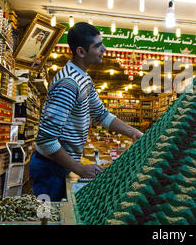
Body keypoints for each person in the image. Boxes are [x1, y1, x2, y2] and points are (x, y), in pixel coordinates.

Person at [30, 22, 143, 201]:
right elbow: (46, 140)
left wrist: (133, 132)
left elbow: (101, 114)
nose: (104, 49)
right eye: (98, 45)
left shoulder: (84, 79)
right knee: (47, 217)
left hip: (61, 165)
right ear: (81, 52)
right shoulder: (68, 84)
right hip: (49, 169)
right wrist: (80, 168)